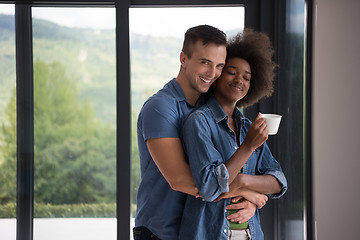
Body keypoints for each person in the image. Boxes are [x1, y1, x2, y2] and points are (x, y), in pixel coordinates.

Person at [179, 29, 288, 240]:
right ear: (217, 76)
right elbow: (209, 188)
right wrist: (248, 147)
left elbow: (278, 182)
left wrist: (244, 184)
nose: (239, 79)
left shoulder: (249, 127)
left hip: (249, 234)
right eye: (231, 72)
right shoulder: (199, 122)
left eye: (246, 77)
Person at [133, 25, 228, 240]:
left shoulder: (210, 107)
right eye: (205, 63)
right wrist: (245, 190)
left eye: (219, 66)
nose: (212, 74)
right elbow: (180, 180)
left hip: (199, 231)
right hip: (160, 233)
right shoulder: (160, 107)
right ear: (183, 59)